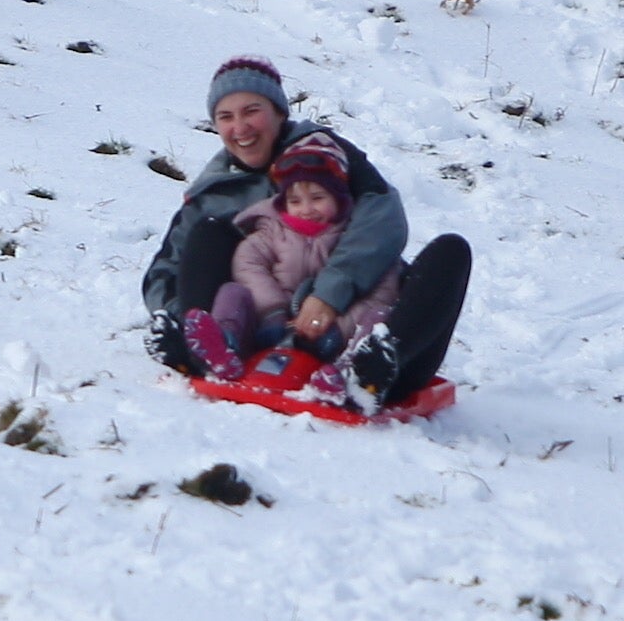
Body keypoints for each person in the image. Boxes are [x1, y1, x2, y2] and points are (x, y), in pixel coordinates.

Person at [141, 55, 471, 411]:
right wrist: (179, 316)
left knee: (451, 251)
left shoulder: (324, 155)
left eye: (251, 111)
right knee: (209, 234)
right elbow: (162, 275)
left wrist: (329, 295)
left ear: (280, 112)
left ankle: (370, 368)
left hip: (359, 335)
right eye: (226, 117)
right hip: (255, 343)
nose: (240, 128)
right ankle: (205, 343)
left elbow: (383, 216)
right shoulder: (214, 192)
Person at [183, 132, 402, 392]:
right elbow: (248, 264)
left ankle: (348, 374)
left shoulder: (354, 237)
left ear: (340, 197)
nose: (306, 209)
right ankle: (224, 348)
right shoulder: (272, 230)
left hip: (332, 340)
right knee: (233, 292)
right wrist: (272, 310)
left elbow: (383, 290)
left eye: (318, 198)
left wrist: (335, 328)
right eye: (295, 201)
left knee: (378, 316)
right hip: (269, 328)